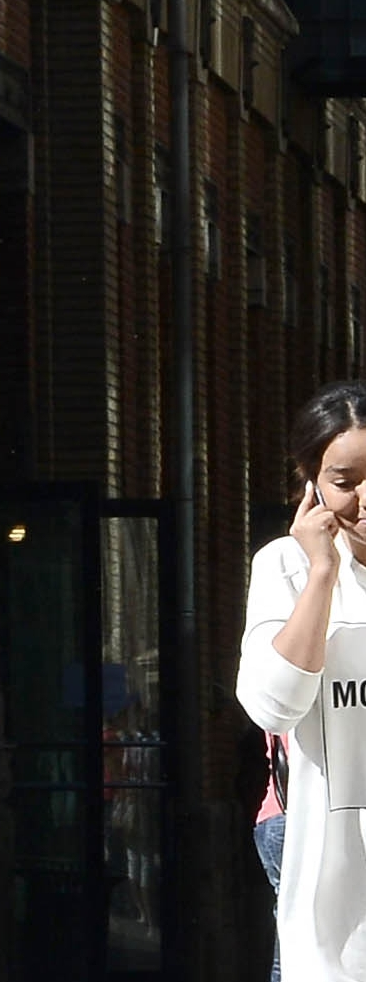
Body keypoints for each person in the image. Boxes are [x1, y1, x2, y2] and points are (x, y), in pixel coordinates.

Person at [235, 380, 366, 982]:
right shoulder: (282, 566)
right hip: (323, 856)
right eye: (344, 481)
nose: (364, 497)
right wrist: (320, 573)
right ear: (311, 483)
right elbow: (273, 704)